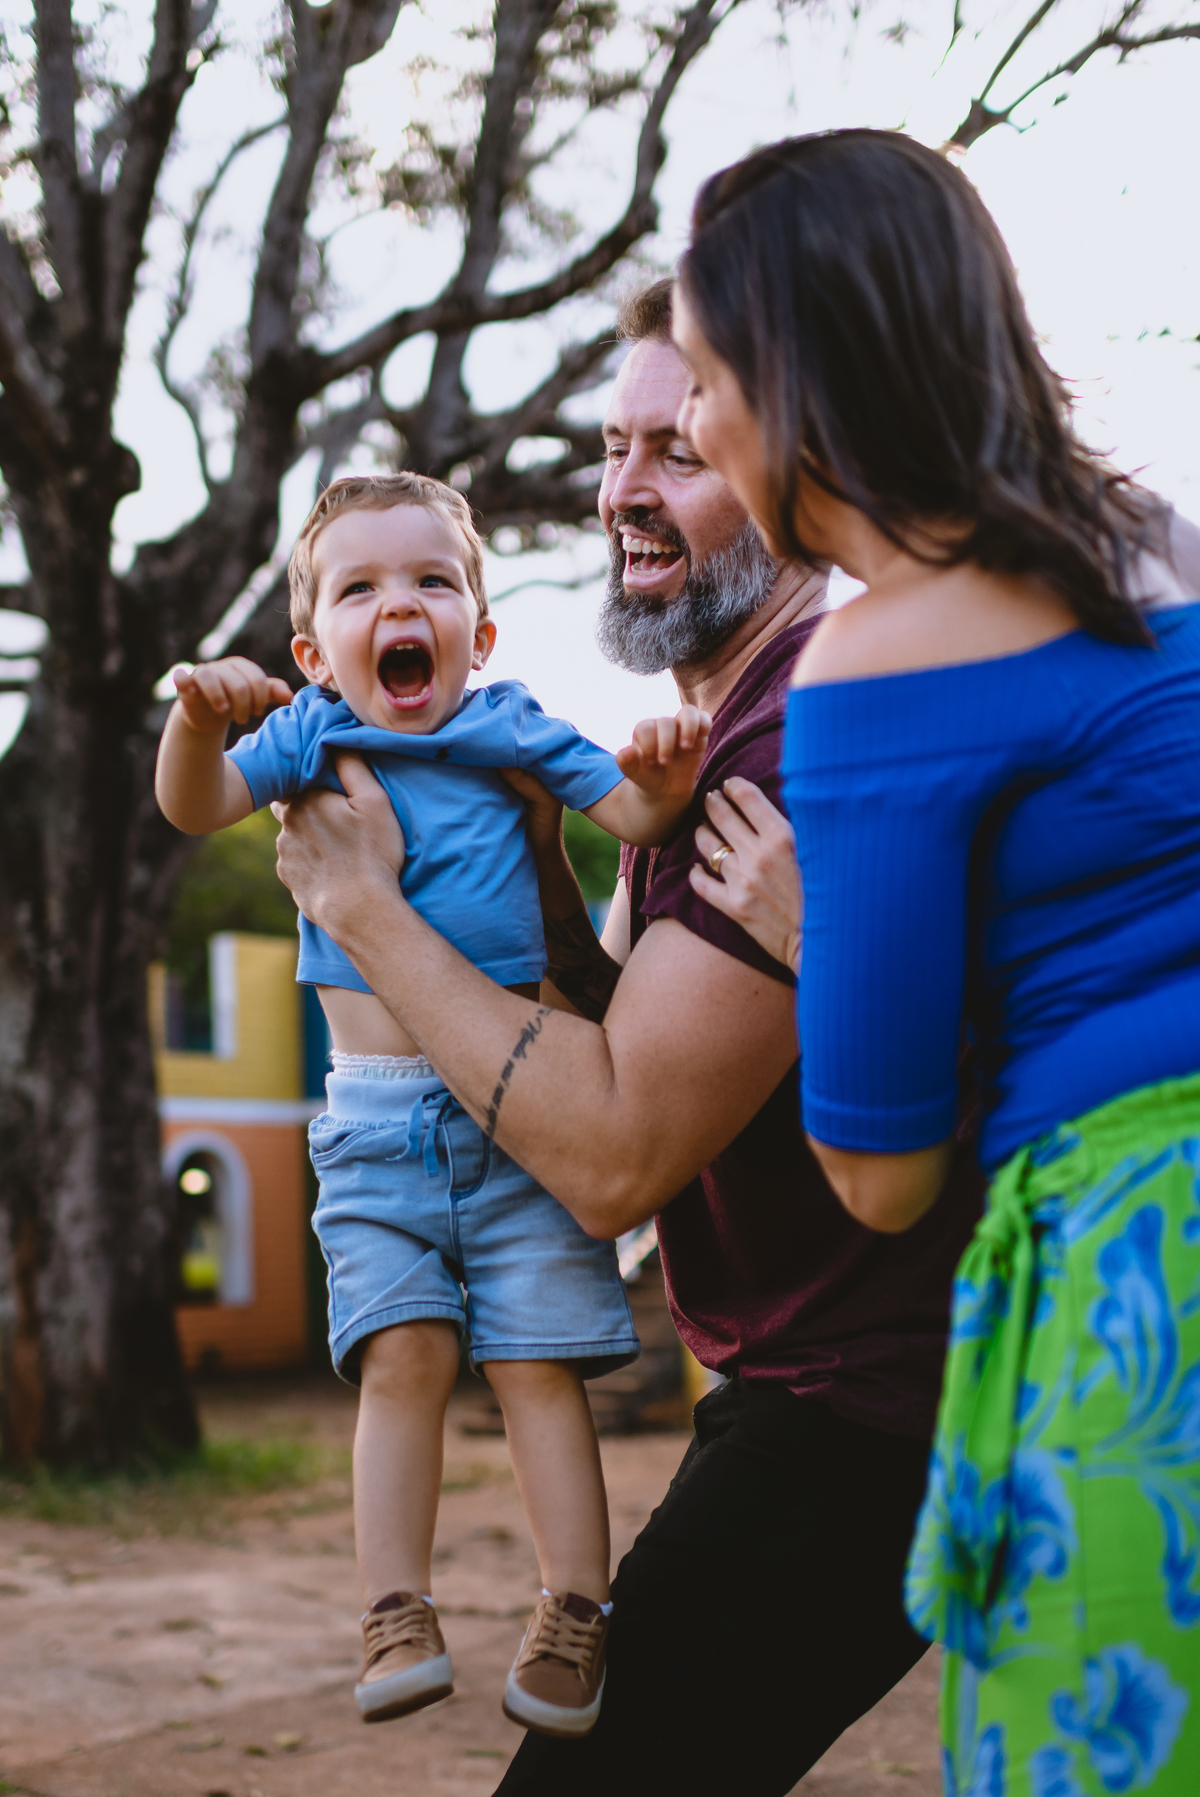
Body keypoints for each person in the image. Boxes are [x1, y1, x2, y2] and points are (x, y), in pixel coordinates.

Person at [268, 284, 986, 1796]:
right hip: (804, 1388)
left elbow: (608, 1156)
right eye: (613, 446)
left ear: (805, 470)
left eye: (680, 448)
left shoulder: (803, 737)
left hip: (870, 1411)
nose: (623, 492)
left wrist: (368, 908)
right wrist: (529, 853)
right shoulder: (702, 749)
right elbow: (610, 1022)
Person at [671, 129, 1200, 1795]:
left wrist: (819, 940)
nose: (691, 425)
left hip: (1143, 1272)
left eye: (698, 379)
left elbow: (883, 1176)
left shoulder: (880, 656)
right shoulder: (1162, 547)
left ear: (791, 376)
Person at [154, 470, 714, 1738]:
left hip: (517, 1122)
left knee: (534, 1370)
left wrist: (665, 773)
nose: (398, 603)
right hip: (370, 1127)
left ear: (479, 626)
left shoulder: (512, 724)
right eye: (360, 587)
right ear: (314, 650)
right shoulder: (308, 733)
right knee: (399, 1361)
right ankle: (394, 1609)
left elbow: (628, 807)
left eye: (432, 581)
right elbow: (194, 806)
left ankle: (576, 1611)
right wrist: (198, 718)